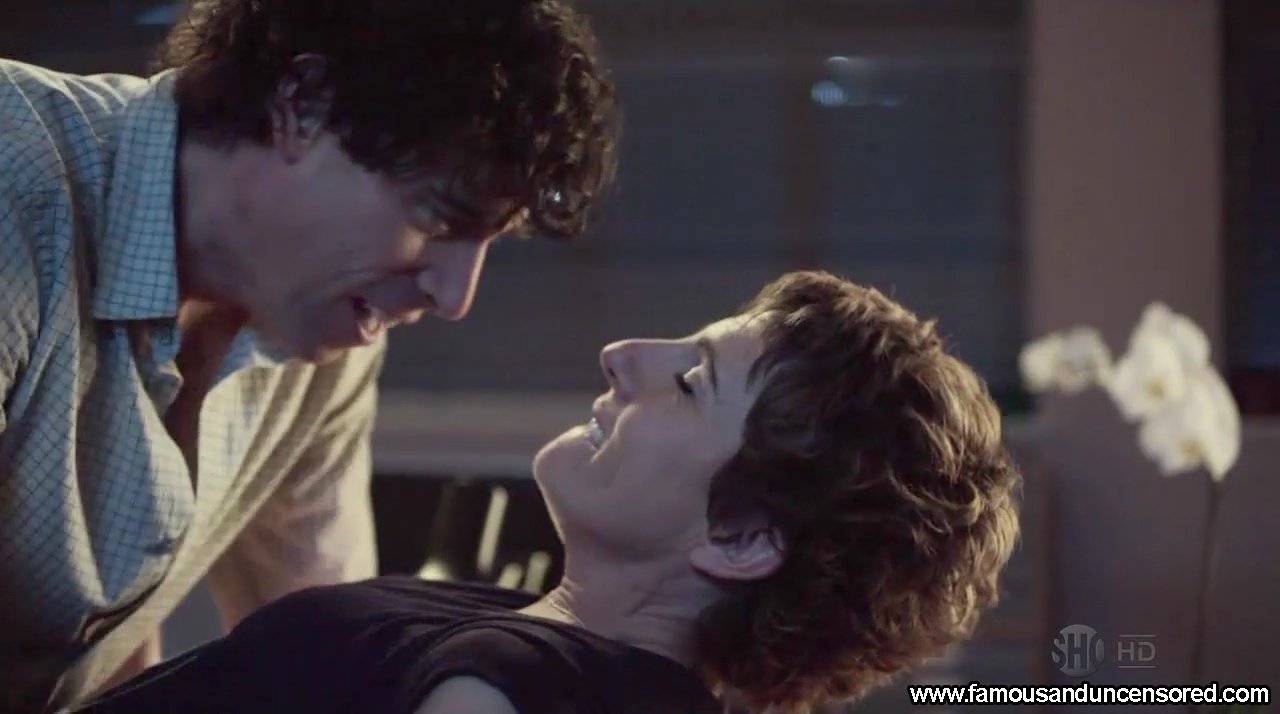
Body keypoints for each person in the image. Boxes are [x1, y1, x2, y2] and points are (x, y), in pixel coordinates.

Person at [0, 0, 618, 709]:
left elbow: (335, 664)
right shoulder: (14, 184)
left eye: (489, 243)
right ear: (302, 106)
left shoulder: (323, 338)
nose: (455, 297)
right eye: (439, 218)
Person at [79, 271, 1022, 714]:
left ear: (740, 537)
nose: (624, 355)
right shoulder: (532, 632)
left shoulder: (518, 689)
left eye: (693, 381)